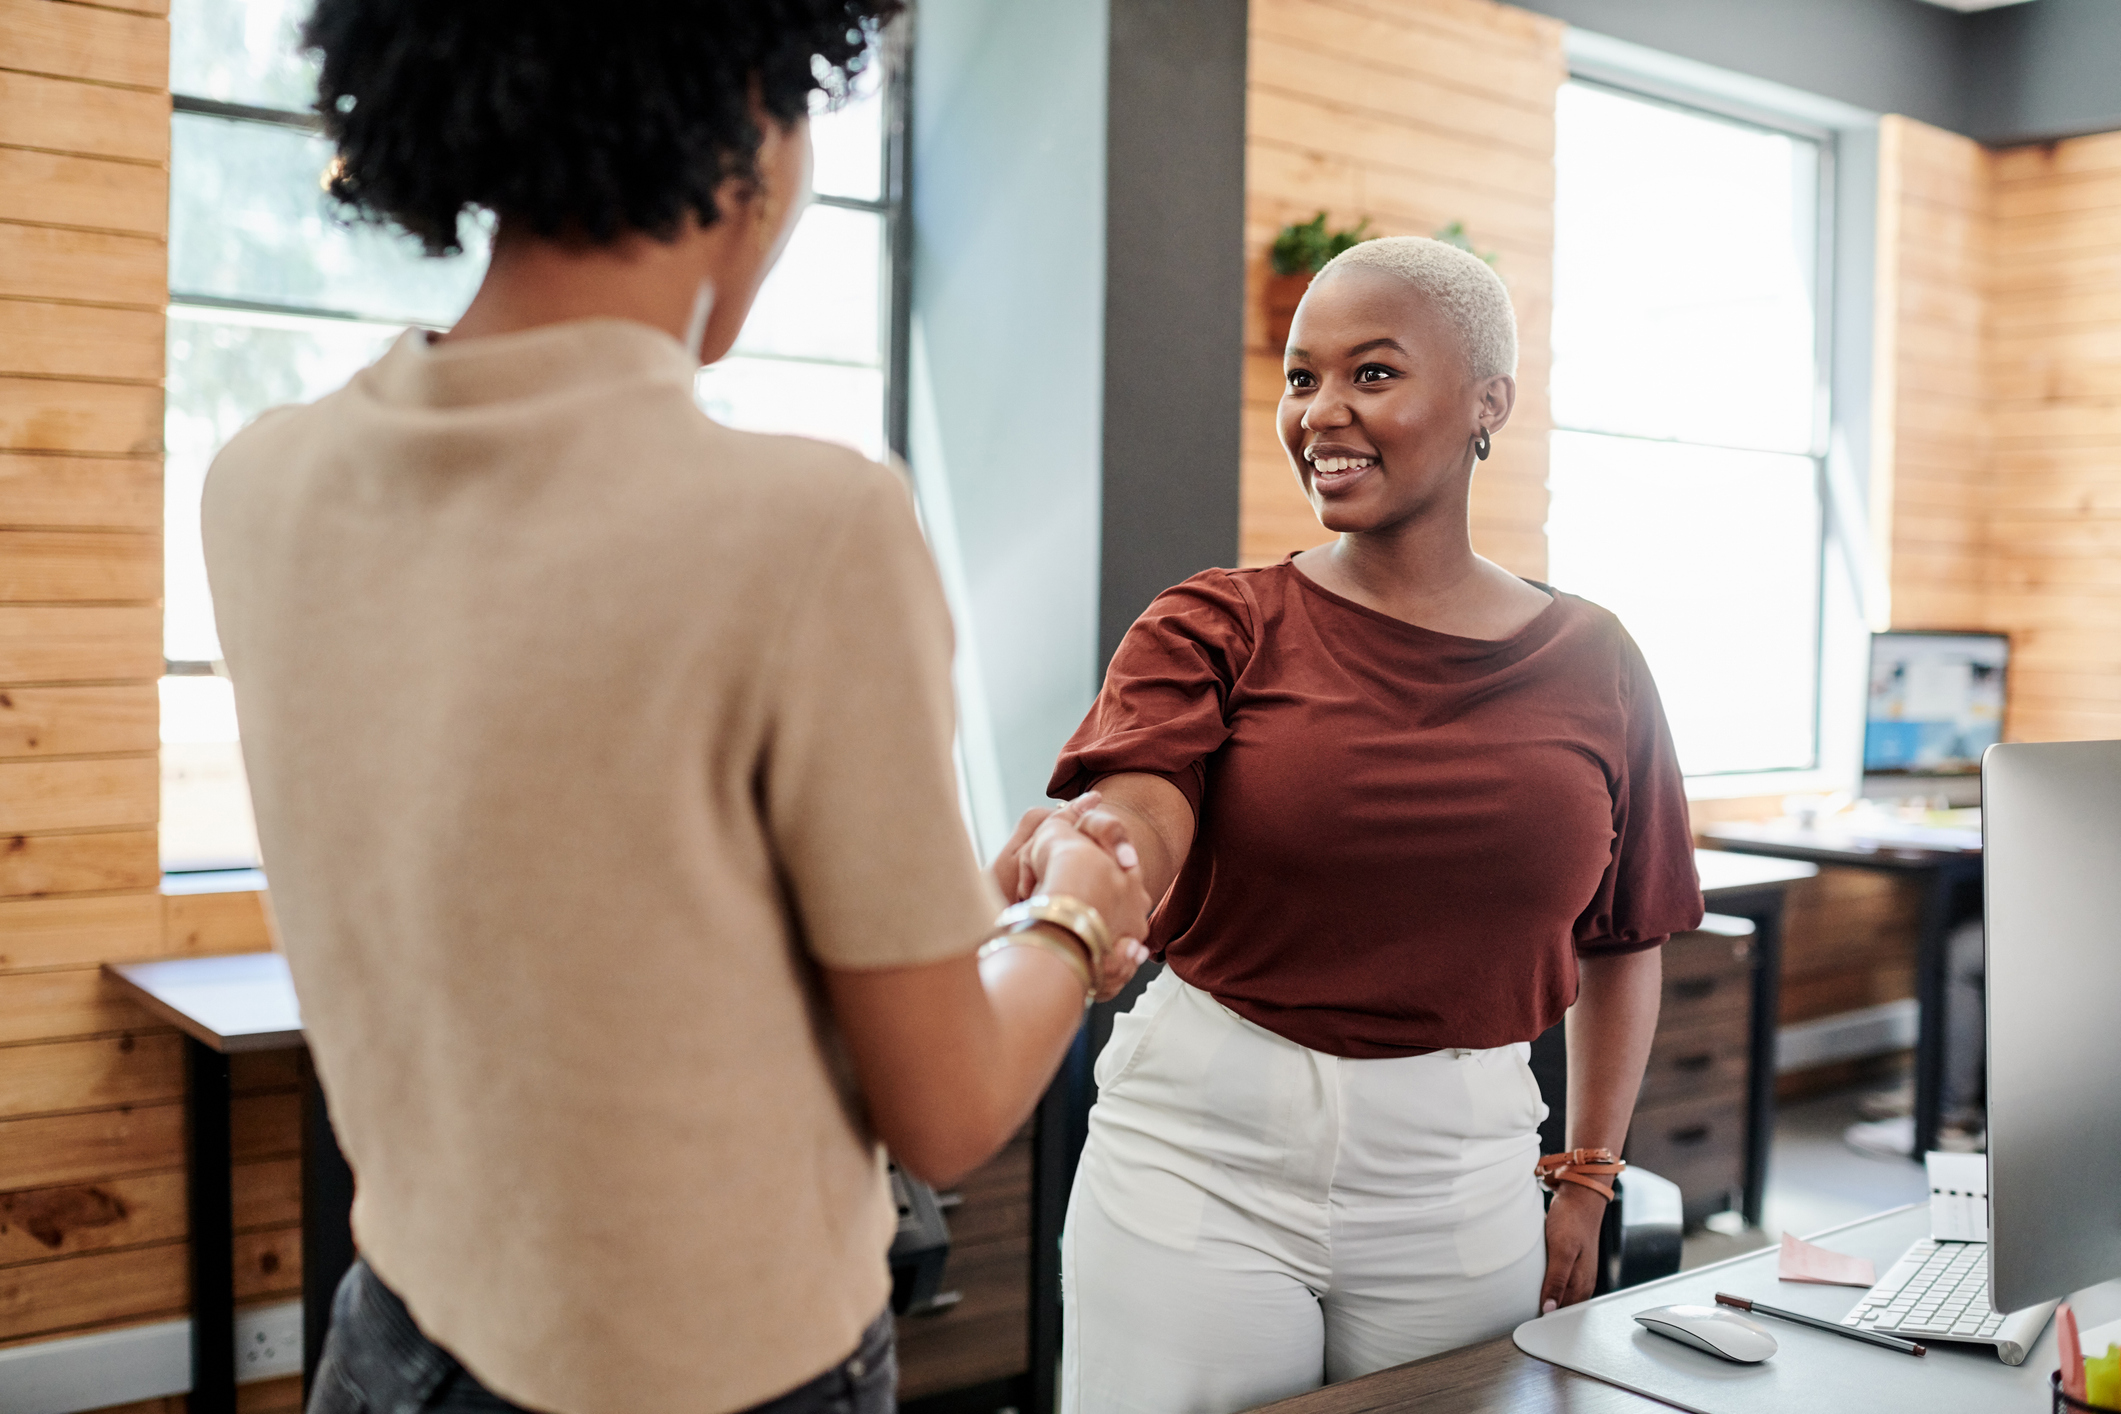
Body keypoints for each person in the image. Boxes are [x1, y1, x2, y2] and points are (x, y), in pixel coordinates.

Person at [200, 5, 1149, 1413]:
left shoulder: (264, 483)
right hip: (716, 1377)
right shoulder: (808, 528)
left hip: (394, 1344)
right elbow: (943, 1110)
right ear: (752, 123)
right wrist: (1073, 915)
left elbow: (586, 913)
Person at [1037, 237, 1705, 1414]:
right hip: (1203, 1154)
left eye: (1373, 374)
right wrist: (1098, 873)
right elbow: (1140, 805)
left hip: (1461, 1172)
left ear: (1487, 400)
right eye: (1303, 378)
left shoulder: (1597, 659)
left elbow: (1625, 934)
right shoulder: (1214, 622)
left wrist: (1590, 1178)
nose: (1323, 413)